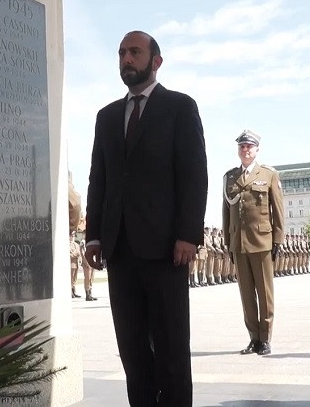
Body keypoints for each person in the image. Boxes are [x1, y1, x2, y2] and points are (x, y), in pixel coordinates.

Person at [85, 31, 208, 407]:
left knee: (171, 348)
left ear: (156, 61)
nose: (126, 59)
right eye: (122, 52)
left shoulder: (179, 107)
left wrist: (188, 234)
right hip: (120, 251)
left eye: (135, 52)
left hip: (166, 249)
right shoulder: (106, 116)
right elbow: (99, 178)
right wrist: (93, 236)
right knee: (133, 350)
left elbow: (193, 174)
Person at [222, 129, 285, 356]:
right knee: (246, 294)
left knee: (265, 293)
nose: (245, 150)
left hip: (262, 241)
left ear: (257, 149)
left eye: (249, 146)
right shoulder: (229, 177)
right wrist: (228, 241)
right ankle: (253, 338)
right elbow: (226, 212)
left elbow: (277, 210)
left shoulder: (268, 174)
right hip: (238, 243)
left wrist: (278, 239)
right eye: (242, 146)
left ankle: (266, 338)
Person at [69, 234, 82, 298]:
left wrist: (76, 254)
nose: (72, 237)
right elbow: (70, 254)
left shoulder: (76, 244)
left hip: (76, 264)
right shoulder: (67, 244)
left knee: (74, 279)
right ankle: (70, 292)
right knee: (70, 279)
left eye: (73, 236)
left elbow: (79, 253)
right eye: (71, 236)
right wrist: (75, 254)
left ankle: (74, 291)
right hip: (71, 264)